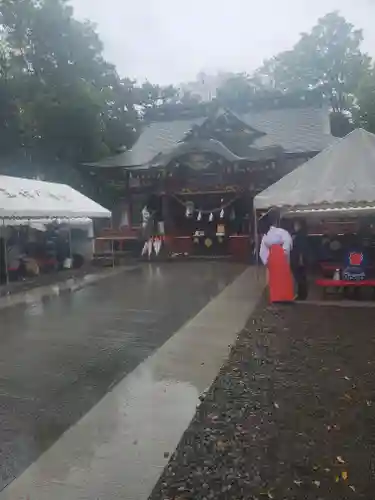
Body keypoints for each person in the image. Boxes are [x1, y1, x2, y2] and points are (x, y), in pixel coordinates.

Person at [259, 212, 294, 303]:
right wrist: (267, 260)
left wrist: (284, 252)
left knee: (283, 278)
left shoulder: (280, 232)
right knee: (274, 280)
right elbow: (263, 250)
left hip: (281, 257)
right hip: (273, 258)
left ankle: (285, 297)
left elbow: (287, 240)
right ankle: (276, 297)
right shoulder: (266, 237)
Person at [290, 219, 309, 300]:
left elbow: (300, 248)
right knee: (302, 277)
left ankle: (302, 295)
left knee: (300, 278)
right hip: (301, 259)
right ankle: (302, 294)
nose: (294, 226)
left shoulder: (299, 236)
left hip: (298, 260)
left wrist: (300, 260)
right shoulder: (302, 234)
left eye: (295, 225)